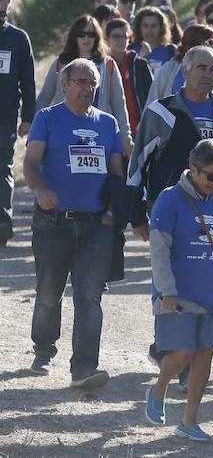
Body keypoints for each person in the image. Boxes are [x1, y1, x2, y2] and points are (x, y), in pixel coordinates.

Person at [23, 58, 125, 387]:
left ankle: (84, 369)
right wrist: (40, 190)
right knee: (49, 294)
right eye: (79, 82)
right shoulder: (47, 119)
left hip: (96, 226)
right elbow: (31, 163)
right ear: (63, 84)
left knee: (89, 297)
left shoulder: (107, 123)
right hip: (54, 223)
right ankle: (44, 346)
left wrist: (114, 209)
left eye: (92, 83)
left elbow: (116, 173)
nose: (86, 88)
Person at [146, 139, 213, 441]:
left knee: (205, 353)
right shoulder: (169, 199)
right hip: (176, 293)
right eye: (210, 176)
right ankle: (158, 389)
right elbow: (159, 249)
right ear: (193, 170)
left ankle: (189, 421)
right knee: (185, 349)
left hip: (209, 292)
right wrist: (166, 288)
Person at [127, 46, 213, 240]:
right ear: (185, 71)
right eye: (202, 67)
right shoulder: (160, 112)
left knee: (212, 269)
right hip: (172, 212)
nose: (208, 74)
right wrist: (137, 215)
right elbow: (137, 165)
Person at [36, 15, 132, 155]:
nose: (86, 38)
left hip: (98, 133)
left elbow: (119, 105)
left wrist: (126, 139)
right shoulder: (60, 63)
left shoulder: (108, 65)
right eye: (82, 34)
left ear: (97, 37)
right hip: (63, 131)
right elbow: (44, 97)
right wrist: (37, 130)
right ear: (75, 36)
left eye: (91, 34)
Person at [145, 24, 213, 108]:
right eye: (210, 42)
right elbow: (152, 104)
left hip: (210, 136)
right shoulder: (170, 69)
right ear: (196, 44)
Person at [0, 0, 35, 245]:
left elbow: (28, 81)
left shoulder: (18, 39)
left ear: (9, 9)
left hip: (5, 115)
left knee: (2, 167)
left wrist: (28, 117)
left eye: (3, 12)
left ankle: (2, 222)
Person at [106, 18, 153, 137]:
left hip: (138, 130)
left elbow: (152, 97)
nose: (120, 40)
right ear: (107, 39)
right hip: (109, 129)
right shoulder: (101, 66)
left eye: (124, 36)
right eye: (116, 36)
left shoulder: (139, 64)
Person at [130, 6, 176, 72]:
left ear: (161, 28)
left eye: (154, 26)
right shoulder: (131, 51)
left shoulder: (171, 51)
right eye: (145, 25)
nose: (149, 30)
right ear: (139, 27)